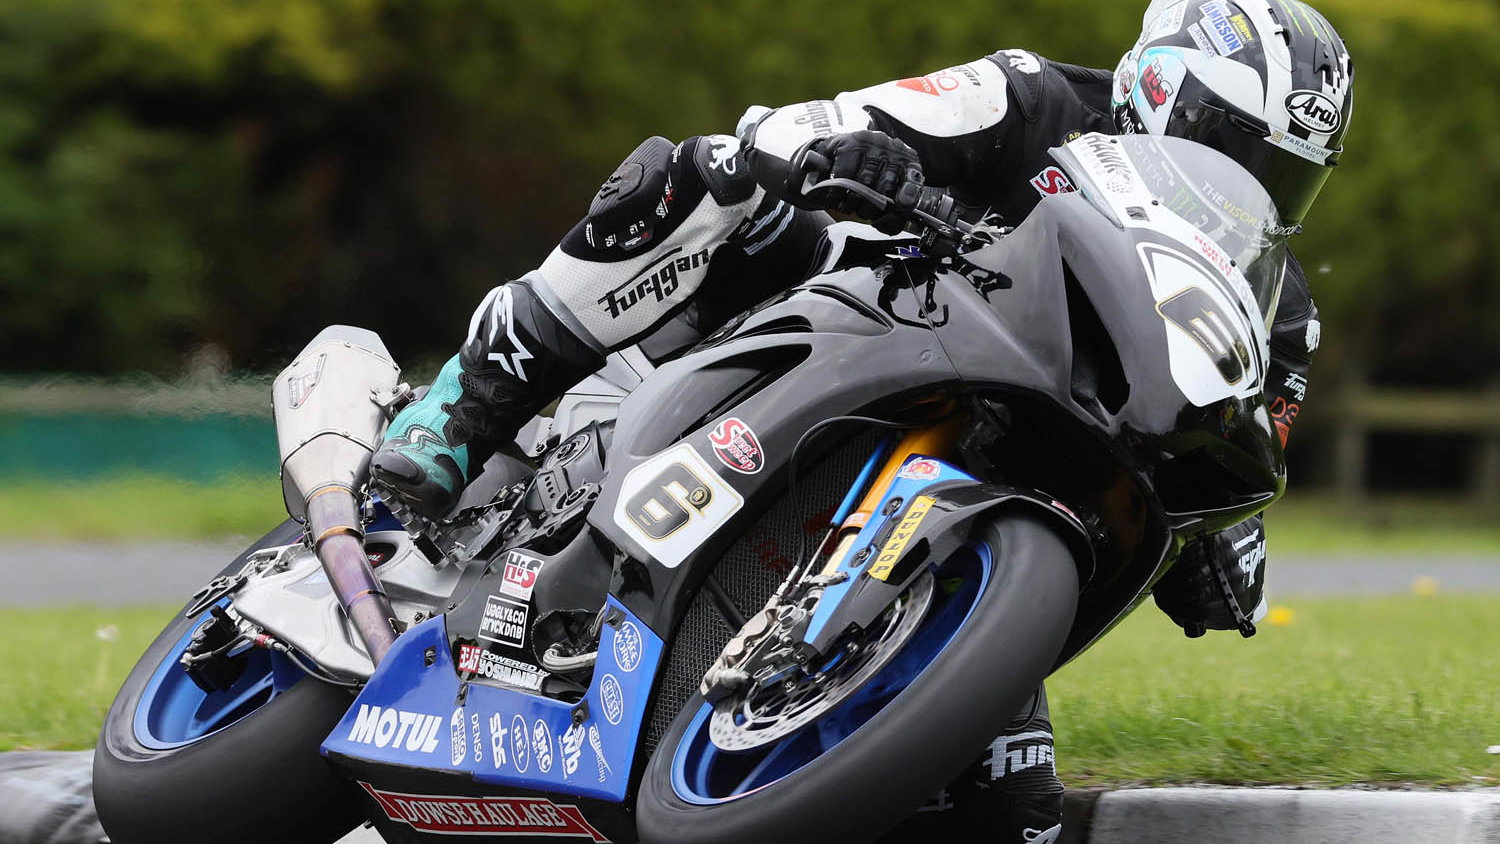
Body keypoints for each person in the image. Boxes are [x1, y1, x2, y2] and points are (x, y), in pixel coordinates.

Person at [370, 1, 1353, 839]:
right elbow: (798, 126)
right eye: (1231, 141)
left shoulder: (1280, 310)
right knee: (711, 176)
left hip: (1006, 503)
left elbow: (1245, 477)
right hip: (865, 321)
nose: (1250, 180)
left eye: (1283, 171)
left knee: (1015, 815)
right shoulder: (1034, 97)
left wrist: (1225, 535)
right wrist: (848, 150)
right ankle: (469, 399)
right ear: (1158, 86)